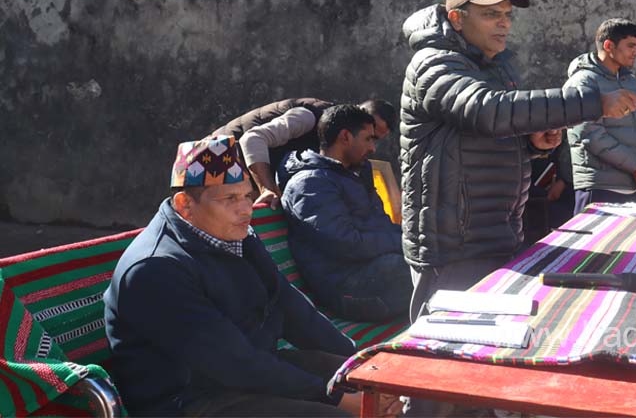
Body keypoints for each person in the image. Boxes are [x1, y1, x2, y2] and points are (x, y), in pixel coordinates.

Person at [399, 0, 636, 325]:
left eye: (507, 16)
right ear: (457, 19)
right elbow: (487, 110)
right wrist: (592, 102)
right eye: (491, 15)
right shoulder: (433, 63)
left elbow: (479, 134)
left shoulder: (492, 65)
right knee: (448, 350)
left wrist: (530, 143)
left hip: (495, 236)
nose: (503, 24)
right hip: (452, 249)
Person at [102, 136, 399, 417]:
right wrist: (336, 398)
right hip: (187, 399)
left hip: (241, 373)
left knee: (370, 380)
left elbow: (286, 301)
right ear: (185, 205)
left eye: (247, 196)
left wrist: (359, 361)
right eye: (229, 198)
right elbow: (230, 361)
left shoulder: (235, 235)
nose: (245, 209)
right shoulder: (156, 269)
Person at [282, 104, 412, 322]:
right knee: (426, 270)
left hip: (376, 271)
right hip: (348, 290)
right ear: (345, 137)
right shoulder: (310, 184)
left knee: (434, 256)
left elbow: (380, 223)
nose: (373, 148)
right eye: (368, 139)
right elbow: (346, 243)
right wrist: (402, 243)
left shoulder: (354, 174)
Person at [213, 97, 397, 208]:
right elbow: (252, 140)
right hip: (216, 158)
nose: (371, 144)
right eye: (368, 134)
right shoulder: (309, 117)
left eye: (375, 138)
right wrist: (268, 189)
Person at [565, 18, 636, 215]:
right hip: (600, 188)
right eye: (630, 46)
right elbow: (590, 135)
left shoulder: (631, 82)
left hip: (634, 186)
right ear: (609, 45)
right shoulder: (583, 82)